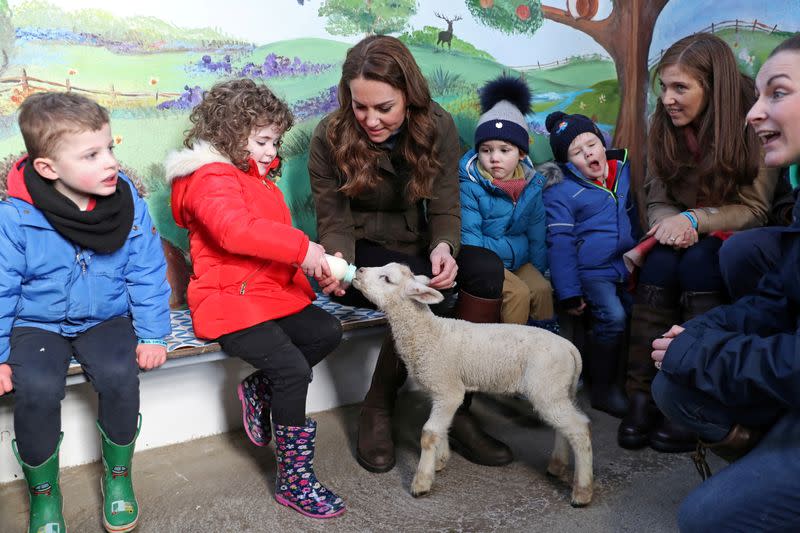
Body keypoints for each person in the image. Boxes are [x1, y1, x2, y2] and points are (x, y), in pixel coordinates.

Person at [308, 35, 509, 474]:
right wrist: (337, 265)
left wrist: (444, 247)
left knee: (485, 270)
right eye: (360, 107)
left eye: (384, 108)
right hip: (361, 264)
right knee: (414, 288)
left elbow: (444, 205)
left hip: (416, 249)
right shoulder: (329, 135)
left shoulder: (437, 125)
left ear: (409, 95)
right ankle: (378, 406)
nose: (370, 120)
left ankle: (459, 408)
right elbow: (333, 222)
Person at [166, 79, 345, 519]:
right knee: (291, 368)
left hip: (265, 295)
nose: (270, 151)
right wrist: (304, 250)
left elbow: (270, 248)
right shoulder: (210, 178)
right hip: (225, 301)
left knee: (326, 329)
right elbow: (235, 231)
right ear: (229, 134)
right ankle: (294, 480)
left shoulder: (257, 180)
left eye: (275, 141)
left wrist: (315, 268)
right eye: (261, 140)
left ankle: (259, 389)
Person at [0, 92, 171, 533]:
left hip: (105, 316)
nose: (110, 161)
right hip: (35, 321)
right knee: (35, 386)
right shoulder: (15, 217)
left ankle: (117, 477)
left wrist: (153, 334)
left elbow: (147, 269)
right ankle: (44, 494)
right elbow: (1, 289)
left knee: (119, 374)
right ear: (48, 168)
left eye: (110, 147)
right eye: (92, 154)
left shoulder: (127, 201)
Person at [651, 35, 800, 531]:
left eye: (777, 94)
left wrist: (704, 352)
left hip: (720, 229)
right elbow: (776, 299)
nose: (755, 112)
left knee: (703, 517)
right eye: (757, 95)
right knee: (670, 381)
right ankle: (760, 446)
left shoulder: (747, 140)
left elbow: (754, 210)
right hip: (680, 233)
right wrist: (696, 337)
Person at [618, 33, 779, 453]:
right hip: (676, 230)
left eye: (680, 88)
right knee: (658, 266)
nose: (668, 99)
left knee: (698, 265)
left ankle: (690, 397)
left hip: (732, 233)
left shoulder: (753, 121)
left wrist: (696, 219)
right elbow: (656, 196)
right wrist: (669, 224)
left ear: (713, 88)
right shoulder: (665, 124)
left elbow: (754, 209)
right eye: (664, 87)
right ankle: (642, 394)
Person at [542, 111, 639, 418]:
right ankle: (603, 390)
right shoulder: (562, 190)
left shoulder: (621, 170)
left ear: (602, 143)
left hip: (624, 265)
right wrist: (568, 292)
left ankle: (624, 381)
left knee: (634, 316)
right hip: (592, 272)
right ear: (567, 162)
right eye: (577, 151)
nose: (588, 153)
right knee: (613, 317)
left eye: (592, 144)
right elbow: (560, 244)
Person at [459, 75, 558, 333]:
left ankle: (543, 351)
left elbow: (536, 234)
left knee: (541, 289)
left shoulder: (531, 185)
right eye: (486, 150)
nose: (494, 158)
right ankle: (509, 359)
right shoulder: (470, 184)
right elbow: (470, 239)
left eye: (505, 150)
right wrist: (486, 273)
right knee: (518, 294)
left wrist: (536, 271)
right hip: (486, 265)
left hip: (518, 260)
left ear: (521, 154)